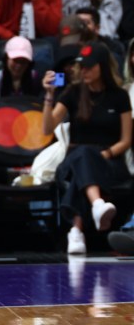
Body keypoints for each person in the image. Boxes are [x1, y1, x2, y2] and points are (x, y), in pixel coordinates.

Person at [42, 43, 131, 254]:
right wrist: (49, 95)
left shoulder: (119, 96)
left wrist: (105, 154)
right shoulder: (73, 93)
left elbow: (126, 140)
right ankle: (97, 204)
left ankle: (76, 231)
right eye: (82, 66)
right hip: (74, 159)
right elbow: (47, 128)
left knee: (84, 163)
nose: (84, 71)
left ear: (103, 67)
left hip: (109, 160)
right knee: (83, 155)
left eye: (90, 66)